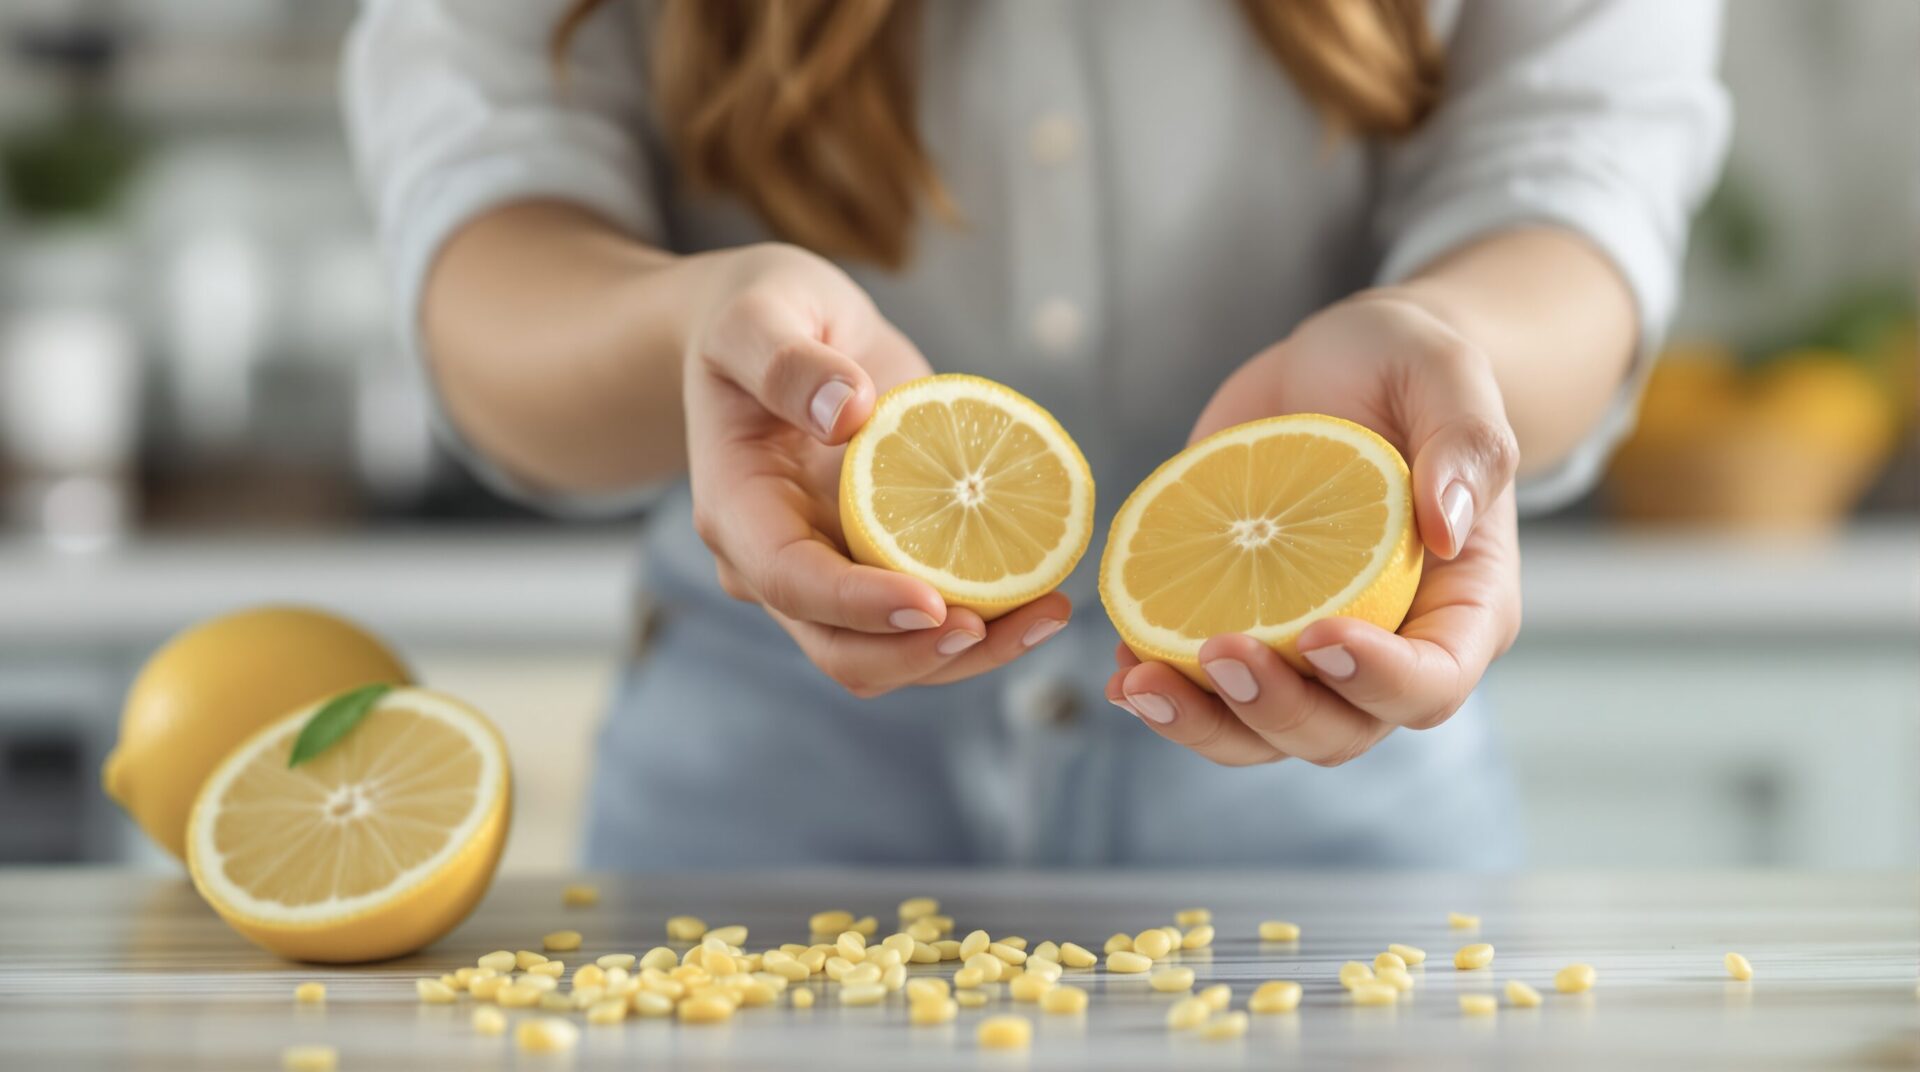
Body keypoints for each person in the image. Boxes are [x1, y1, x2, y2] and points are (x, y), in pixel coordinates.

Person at [343, 0, 1728, 868]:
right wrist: (694, 328)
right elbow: (490, 246)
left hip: (1337, 843)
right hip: (758, 833)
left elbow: (1574, 197)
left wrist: (1448, 358)